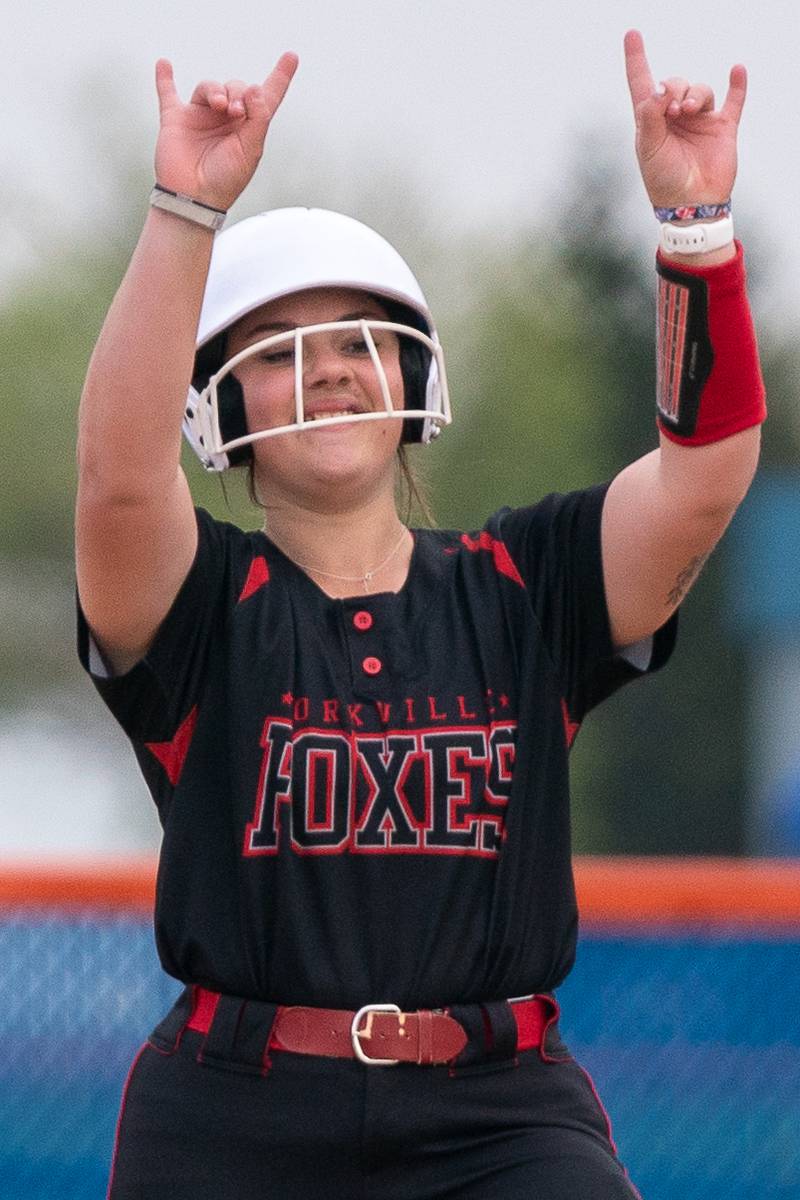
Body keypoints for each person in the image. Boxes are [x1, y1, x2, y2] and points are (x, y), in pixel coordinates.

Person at [75, 29, 764, 1200]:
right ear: (218, 406)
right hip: (233, 1111)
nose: (332, 368)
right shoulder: (202, 608)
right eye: (283, 351)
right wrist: (183, 213)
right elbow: (121, 480)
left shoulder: (523, 582)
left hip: (496, 1114)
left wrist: (693, 231)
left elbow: (702, 476)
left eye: (360, 341)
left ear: (412, 378)